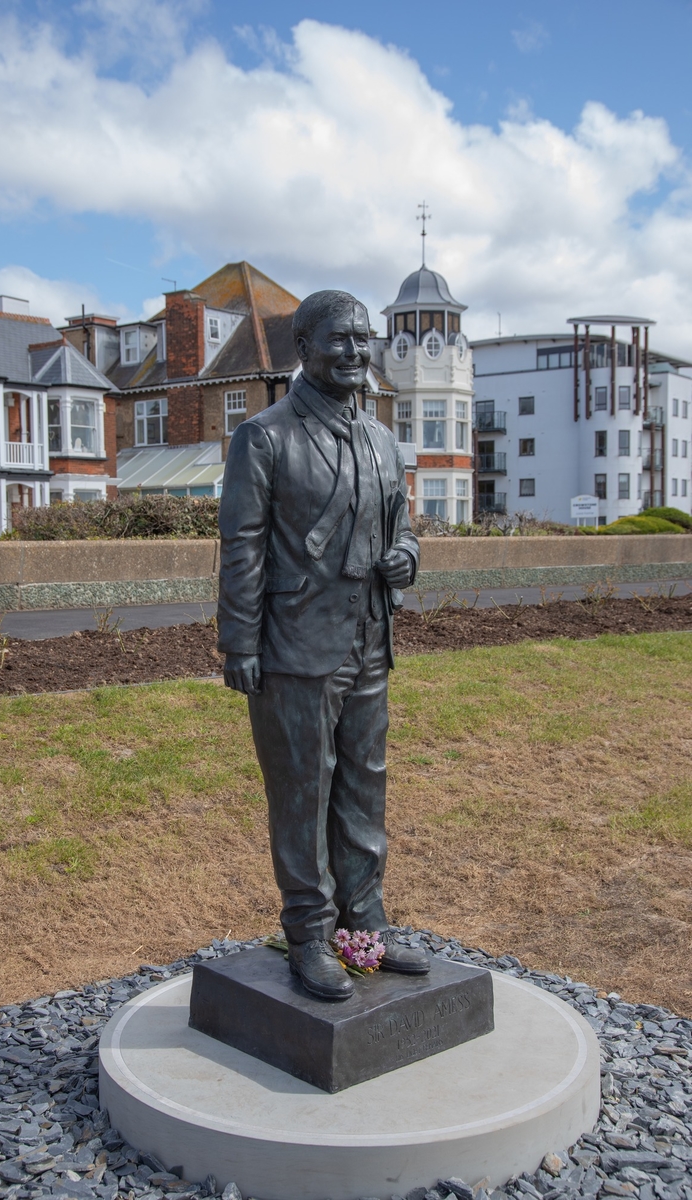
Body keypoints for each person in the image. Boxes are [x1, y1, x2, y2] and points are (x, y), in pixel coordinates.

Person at [217, 289, 430, 1000]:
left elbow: (401, 524)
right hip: (293, 647)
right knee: (303, 794)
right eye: (339, 339)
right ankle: (309, 933)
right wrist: (238, 643)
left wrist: (406, 555)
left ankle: (362, 929)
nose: (355, 351)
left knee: (364, 790)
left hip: (369, 640)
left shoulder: (380, 439)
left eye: (362, 338)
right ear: (303, 348)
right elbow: (241, 546)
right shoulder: (265, 437)